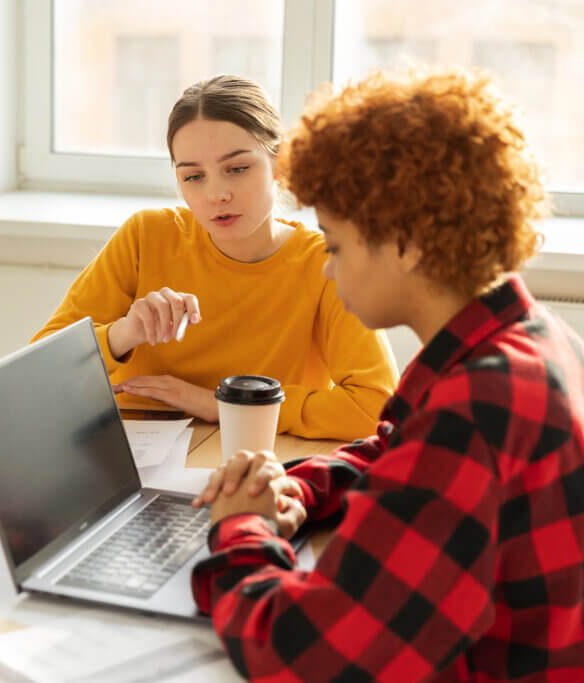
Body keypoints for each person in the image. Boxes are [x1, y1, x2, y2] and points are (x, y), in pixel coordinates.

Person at [191, 66, 584, 680]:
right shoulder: (530, 342)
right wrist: (299, 487)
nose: (326, 269)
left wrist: (240, 528)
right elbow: (400, 450)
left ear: (402, 241)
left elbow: (304, 653)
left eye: (334, 245)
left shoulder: (474, 412)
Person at [31, 75, 398, 440]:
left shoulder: (324, 265)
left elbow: (376, 410)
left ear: (280, 163)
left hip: (248, 465)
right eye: (193, 177)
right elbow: (35, 372)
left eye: (237, 169)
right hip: (132, 459)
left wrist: (224, 405)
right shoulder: (145, 237)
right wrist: (122, 334)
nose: (216, 194)